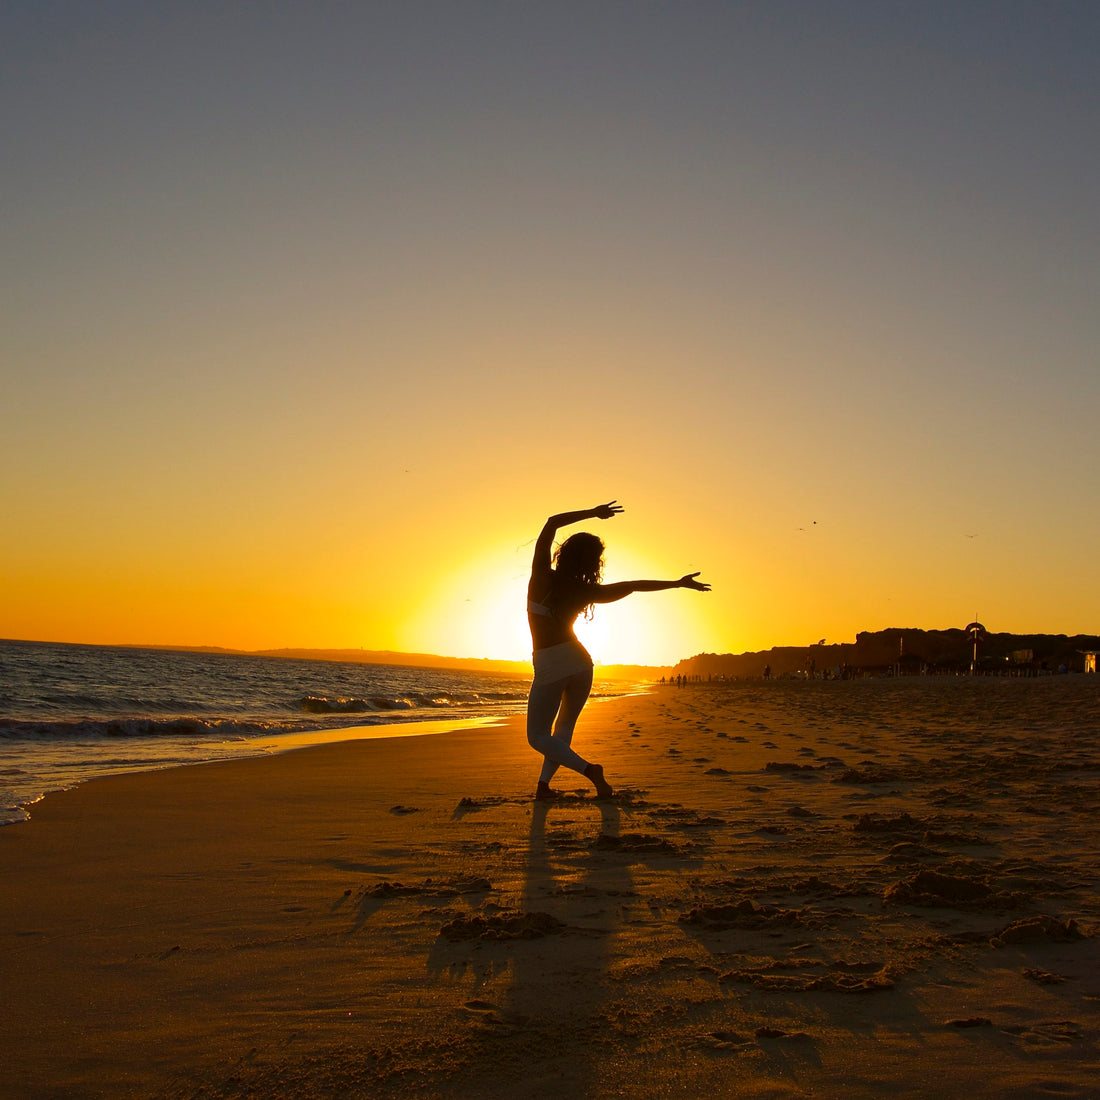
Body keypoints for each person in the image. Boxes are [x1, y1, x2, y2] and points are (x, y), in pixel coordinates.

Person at [526, 501, 710, 800]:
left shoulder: (541, 575)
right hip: (581, 662)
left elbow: (551, 522)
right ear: (591, 563)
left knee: (538, 737)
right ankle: (544, 786)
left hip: (551, 662)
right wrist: (677, 583)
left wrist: (592, 513)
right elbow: (634, 585)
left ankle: (589, 771)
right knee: (563, 729)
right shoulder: (588, 591)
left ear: (565, 552)